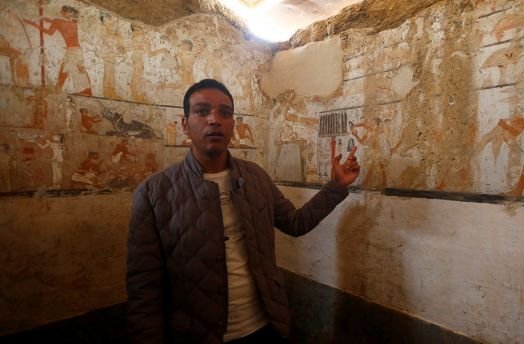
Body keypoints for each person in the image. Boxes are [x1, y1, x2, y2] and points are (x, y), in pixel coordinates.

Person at [127, 79, 360, 344]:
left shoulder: (256, 178)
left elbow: (296, 223)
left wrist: (336, 187)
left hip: (266, 326)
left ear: (233, 126)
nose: (214, 119)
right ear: (185, 124)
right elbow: (143, 287)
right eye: (202, 111)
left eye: (225, 113)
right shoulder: (154, 193)